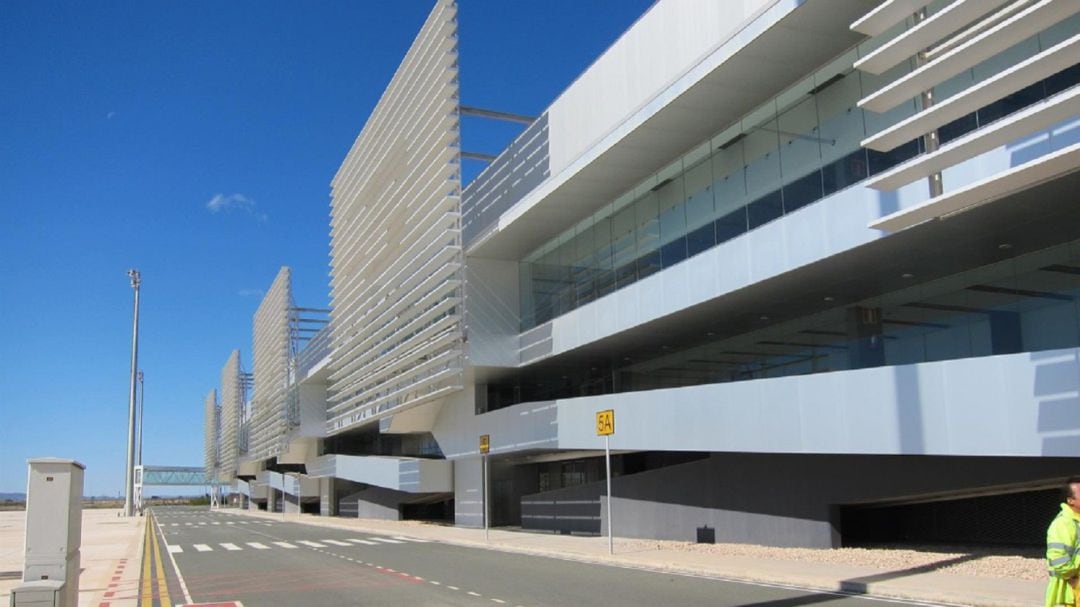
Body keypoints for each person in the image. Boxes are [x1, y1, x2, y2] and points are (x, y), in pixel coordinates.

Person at [1047, 477, 1080, 607]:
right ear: (1070, 500)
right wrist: (1074, 581)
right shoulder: (1063, 524)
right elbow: (1058, 560)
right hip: (1070, 596)